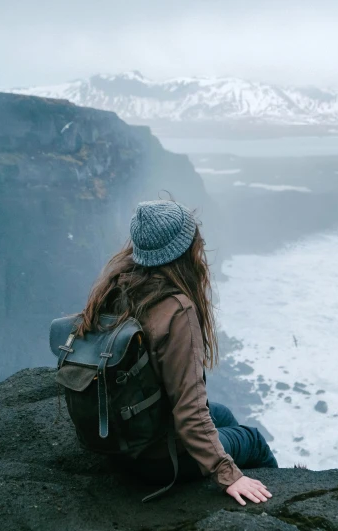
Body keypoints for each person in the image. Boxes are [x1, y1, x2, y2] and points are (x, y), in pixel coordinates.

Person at [75, 199, 277, 505]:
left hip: (118, 441)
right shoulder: (176, 309)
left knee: (222, 415)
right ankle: (272, 498)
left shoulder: (115, 286)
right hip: (156, 460)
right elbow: (190, 413)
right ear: (183, 250)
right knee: (254, 440)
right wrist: (228, 474)